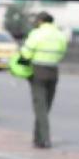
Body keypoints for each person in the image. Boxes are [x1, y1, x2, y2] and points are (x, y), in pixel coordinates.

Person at [18, 12, 67, 149]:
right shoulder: (60, 34)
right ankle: (37, 137)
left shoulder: (37, 33)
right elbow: (62, 52)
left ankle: (45, 139)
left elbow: (26, 53)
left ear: (40, 21)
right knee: (45, 107)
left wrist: (21, 67)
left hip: (38, 72)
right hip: (53, 72)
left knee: (40, 108)